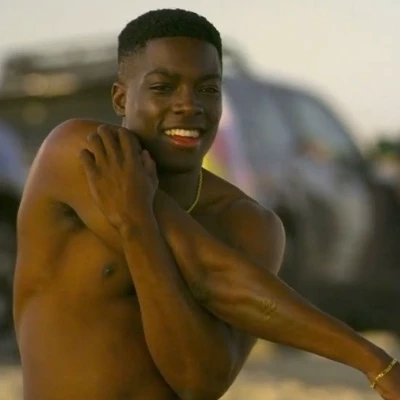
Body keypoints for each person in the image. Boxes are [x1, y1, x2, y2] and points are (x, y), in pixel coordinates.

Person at [14, 8, 399, 400]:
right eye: (163, 87)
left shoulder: (249, 223)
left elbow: (200, 383)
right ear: (120, 97)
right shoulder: (82, 154)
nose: (188, 104)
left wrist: (138, 225)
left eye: (208, 89)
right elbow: (207, 271)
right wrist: (374, 362)